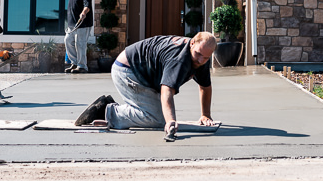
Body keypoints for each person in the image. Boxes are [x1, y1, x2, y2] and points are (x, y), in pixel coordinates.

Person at [75, 32, 217, 140]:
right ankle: (107, 111)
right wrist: (170, 121)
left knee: (157, 114)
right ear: (192, 43)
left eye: (205, 58)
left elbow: (205, 86)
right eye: (198, 54)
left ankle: (115, 108)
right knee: (157, 119)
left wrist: (205, 115)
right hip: (127, 71)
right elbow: (166, 90)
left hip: (141, 73)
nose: (200, 60)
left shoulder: (200, 58)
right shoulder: (179, 59)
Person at [64, 0, 93, 74]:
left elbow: (87, 4)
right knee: (68, 40)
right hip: (72, 23)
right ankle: (74, 63)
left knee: (80, 44)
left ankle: (82, 66)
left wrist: (84, 12)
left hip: (82, 23)